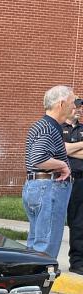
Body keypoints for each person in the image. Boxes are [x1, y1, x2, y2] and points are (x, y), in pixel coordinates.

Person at [23, 85, 76, 294]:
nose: (75, 107)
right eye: (73, 102)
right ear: (61, 104)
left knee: (36, 243)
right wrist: (63, 164)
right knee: (46, 244)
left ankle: (27, 292)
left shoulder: (42, 125)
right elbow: (39, 157)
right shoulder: (48, 128)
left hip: (37, 187)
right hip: (48, 189)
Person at [62, 98, 83, 275]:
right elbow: (61, 150)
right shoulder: (57, 127)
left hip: (81, 182)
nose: (78, 110)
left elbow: (67, 149)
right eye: (75, 106)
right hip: (61, 180)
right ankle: (44, 261)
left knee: (79, 222)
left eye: (80, 107)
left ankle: (77, 262)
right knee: (52, 223)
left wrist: (70, 148)